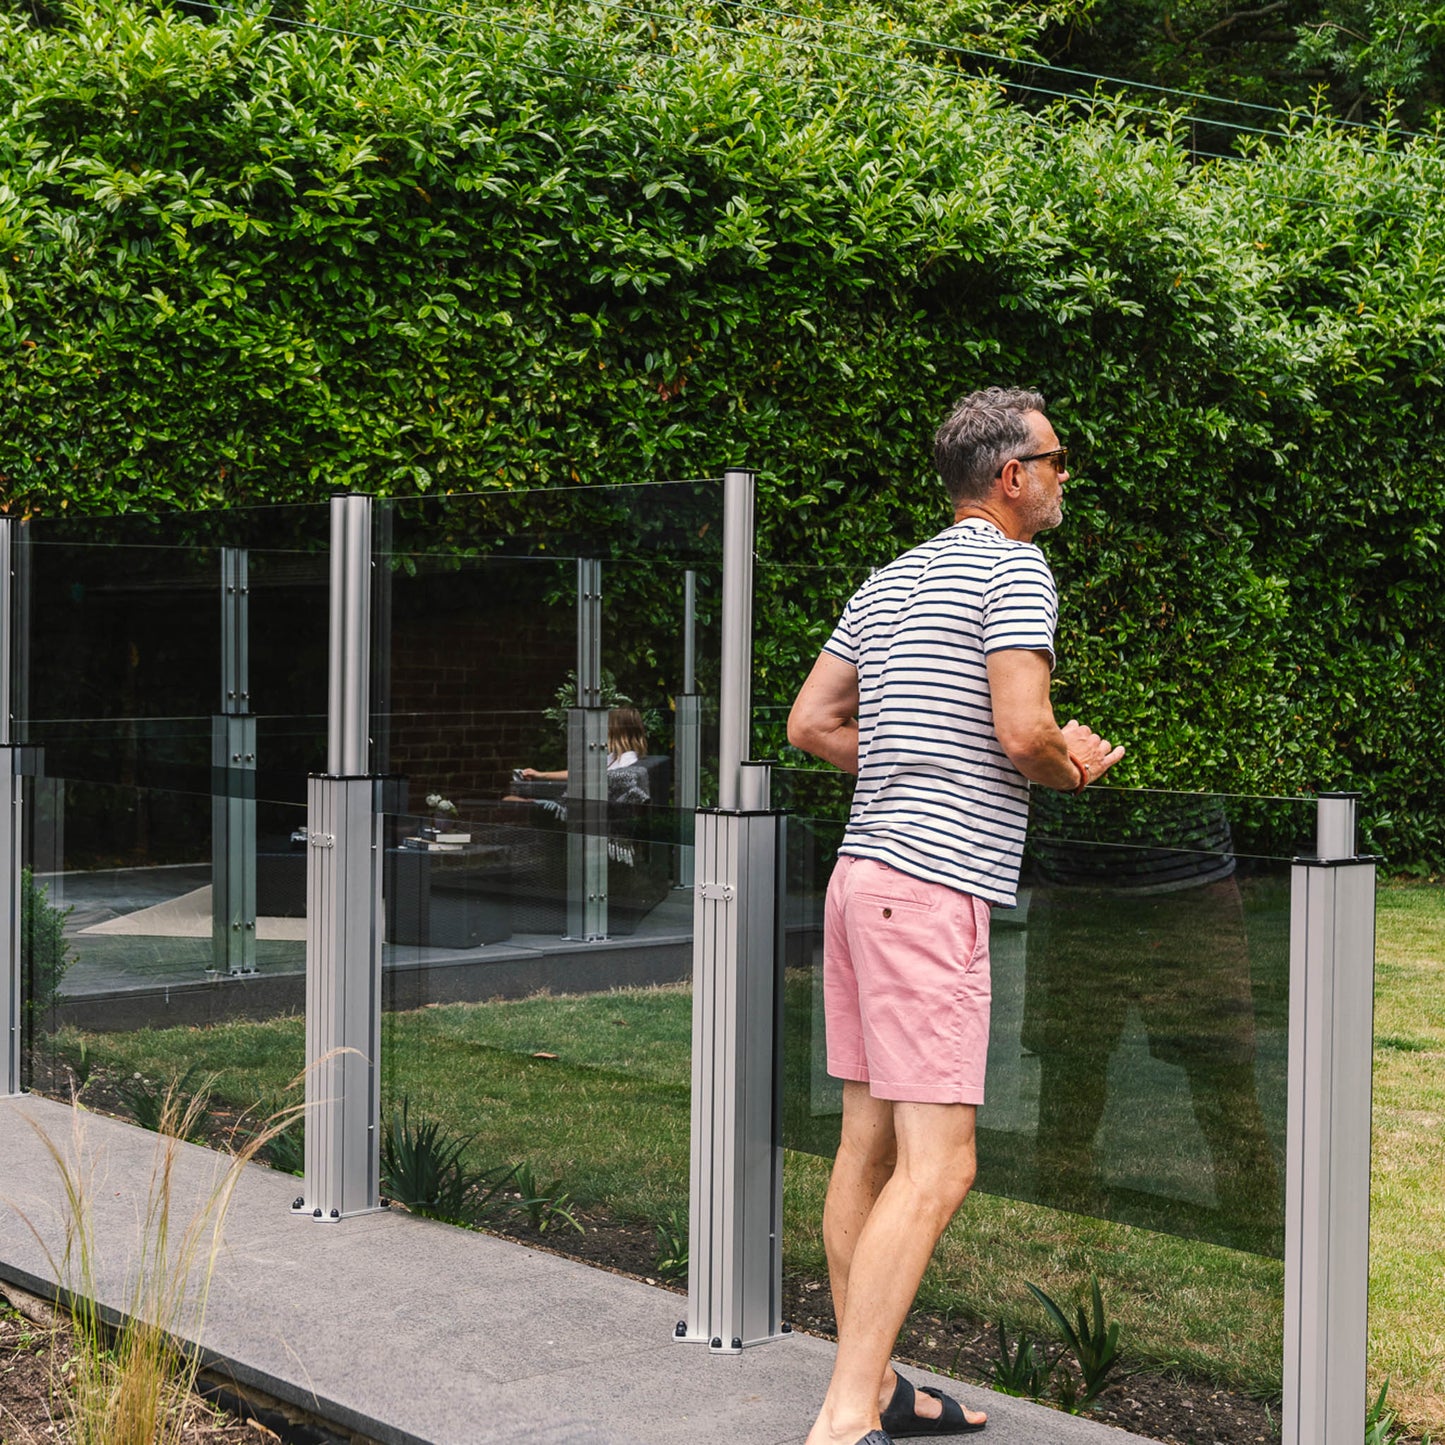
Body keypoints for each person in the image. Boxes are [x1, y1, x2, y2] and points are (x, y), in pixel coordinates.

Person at [787, 386, 1125, 1445]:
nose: (1065, 476)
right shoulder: (1012, 565)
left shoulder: (887, 580)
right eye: (1056, 459)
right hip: (929, 888)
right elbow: (1022, 729)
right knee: (942, 1162)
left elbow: (810, 723)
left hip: (859, 880)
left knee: (866, 1148)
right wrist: (1067, 765)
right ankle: (846, 1413)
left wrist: (909, 760)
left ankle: (876, 1383)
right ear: (1010, 475)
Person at [507, 706, 651, 805]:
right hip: (575, 804)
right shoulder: (615, 757)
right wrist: (540, 775)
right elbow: (582, 774)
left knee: (510, 800)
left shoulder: (627, 761)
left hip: (580, 812)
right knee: (512, 799)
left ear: (616, 730)